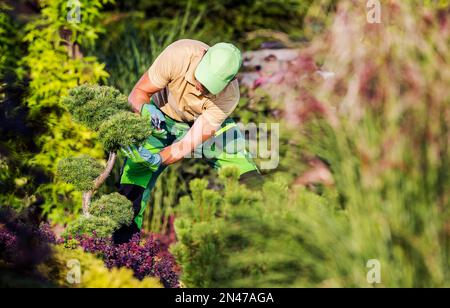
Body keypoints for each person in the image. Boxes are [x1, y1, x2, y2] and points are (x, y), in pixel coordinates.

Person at [114, 39, 260, 244]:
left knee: (245, 173)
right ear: (202, 55)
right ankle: (124, 253)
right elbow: (138, 93)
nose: (201, 89)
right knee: (133, 179)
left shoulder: (229, 96)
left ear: (230, 80)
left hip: (203, 124)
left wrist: (157, 159)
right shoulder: (178, 55)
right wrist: (146, 109)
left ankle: (267, 235)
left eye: (210, 87)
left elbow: (186, 145)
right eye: (202, 80)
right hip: (161, 117)